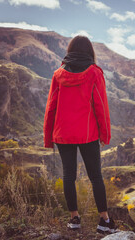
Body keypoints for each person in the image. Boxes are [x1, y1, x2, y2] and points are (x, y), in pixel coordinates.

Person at [43, 35, 116, 234]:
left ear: (70, 50)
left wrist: (48, 137)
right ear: (89, 51)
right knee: (95, 176)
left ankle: (74, 219)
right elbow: (101, 106)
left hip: (63, 134)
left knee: (68, 176)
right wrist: (105, 134)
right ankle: (104, 221)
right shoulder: (94, 73)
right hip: (87, 134)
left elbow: (51, 107)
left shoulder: (58, 74)